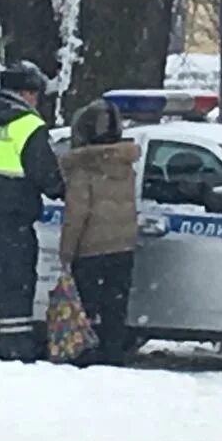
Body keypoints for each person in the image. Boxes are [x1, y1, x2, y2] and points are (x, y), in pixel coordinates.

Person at [0, 60, 63, 362]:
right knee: (15, 281)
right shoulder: (27, 125)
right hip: (12, 216)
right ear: (28, 94)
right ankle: (15, 347)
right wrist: (65, 190)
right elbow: (46, 175)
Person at [58, 99, 140, 367]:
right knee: (115, 309)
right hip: (123, 247)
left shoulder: (84, 169)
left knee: (87, 311)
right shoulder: (124, 164)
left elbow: (76, 215)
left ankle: (88, 358)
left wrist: (67, 252)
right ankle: (113, 356)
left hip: (91, 250)